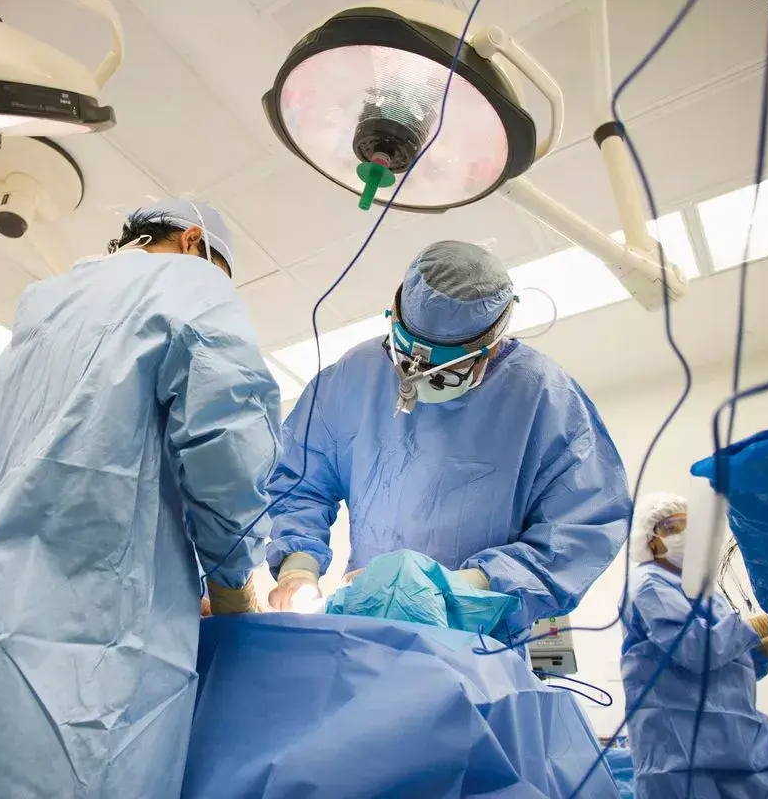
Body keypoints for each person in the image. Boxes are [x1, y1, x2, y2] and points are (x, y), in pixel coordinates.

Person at [0, 199, 281, 798]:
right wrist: (232, 584)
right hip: (100, 636)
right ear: (194, 241)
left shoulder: (44, 305)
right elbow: (228, 448)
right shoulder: (192, 283)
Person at [266, 240, 631, 639]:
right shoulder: (354, 376)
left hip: (477, 639)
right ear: (394, 320)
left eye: (444, 373)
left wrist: (464, 588)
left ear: (491, 345)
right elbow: (301, 480)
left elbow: (581, 529)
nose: (416, 381)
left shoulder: (543, 397)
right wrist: (298, 567)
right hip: (365, 625)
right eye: (406, 362)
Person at [620, 492, 768, 798]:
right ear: (651, 541)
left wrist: (758, 653)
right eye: (672, 528)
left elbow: (726, 664)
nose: (685, 535)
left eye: (690, 526)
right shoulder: (650, 585)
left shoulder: (703, 591)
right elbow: (694, 650)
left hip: (738, 738)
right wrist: (752, 628)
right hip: (681, 746)